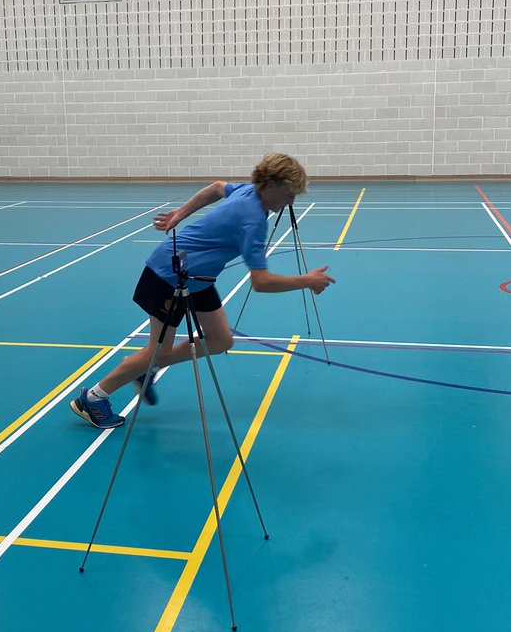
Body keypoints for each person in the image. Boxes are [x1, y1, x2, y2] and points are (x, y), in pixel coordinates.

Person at [70, 153, 335, 428]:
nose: (291, 202)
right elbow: (261, 282)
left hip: (197, 278)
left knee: (220, 340)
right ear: (269, 183)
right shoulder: (253, 220)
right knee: (156, 351)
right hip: (168, 276)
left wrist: (179, 214)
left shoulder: (248, 190)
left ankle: (147, 367)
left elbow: (217, 187)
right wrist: (306, 280)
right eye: (289, 193)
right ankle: (92, 398)